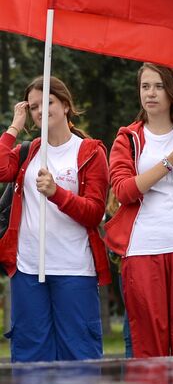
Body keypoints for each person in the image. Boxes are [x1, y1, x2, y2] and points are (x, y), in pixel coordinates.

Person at [106, 63, 173, 358]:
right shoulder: (126, 138)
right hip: (144, 247)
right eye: (145, 87)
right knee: (148, 345)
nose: (151, 93)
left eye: (158, 86)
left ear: (172, 91)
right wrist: (168, 162)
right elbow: (124, 191)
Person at [0, 76, 110, 362]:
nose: (40, 111)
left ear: (65, 105)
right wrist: (15, 125)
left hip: (74, 268)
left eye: (47, 102)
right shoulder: (29, 151)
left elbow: (95, 212)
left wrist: (57, 193)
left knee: (79, 356)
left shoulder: (90, 152)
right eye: (33, 106)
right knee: (30, 357)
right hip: (28, 269)